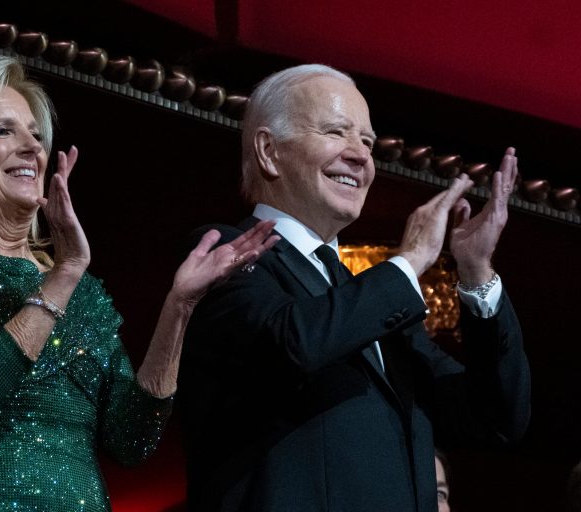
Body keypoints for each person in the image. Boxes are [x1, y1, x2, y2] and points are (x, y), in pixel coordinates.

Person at [0, 54, 277, 512]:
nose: (33, 148)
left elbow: (131, 439)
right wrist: (64, 273)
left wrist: (179, 307)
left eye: (35, 134)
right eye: (3, 131)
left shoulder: (82, 290)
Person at [177, 64, 531, 512]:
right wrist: (408, 261)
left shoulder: (376, 304)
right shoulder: (225, 252)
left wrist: (477, 273)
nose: (361, 156)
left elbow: (496, 420)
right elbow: (293, 343)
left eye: (366, 141)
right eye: (336, 132)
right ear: (269, 151)